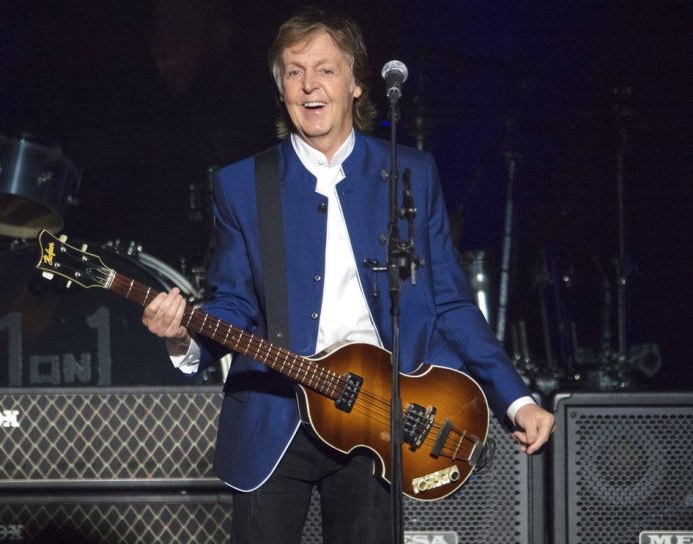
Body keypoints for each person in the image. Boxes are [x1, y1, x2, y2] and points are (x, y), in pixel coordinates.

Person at [141, 8, 555, 544]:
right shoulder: (244, 185)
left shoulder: (411, 173)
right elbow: (233, 304)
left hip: (378, 418)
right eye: (294, 72)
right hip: (276, 413)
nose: (309, 85)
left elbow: (450, 303)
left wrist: (516, 400)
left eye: (325, 69)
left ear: (358, 82)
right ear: (281, 87)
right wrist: (183, 333)